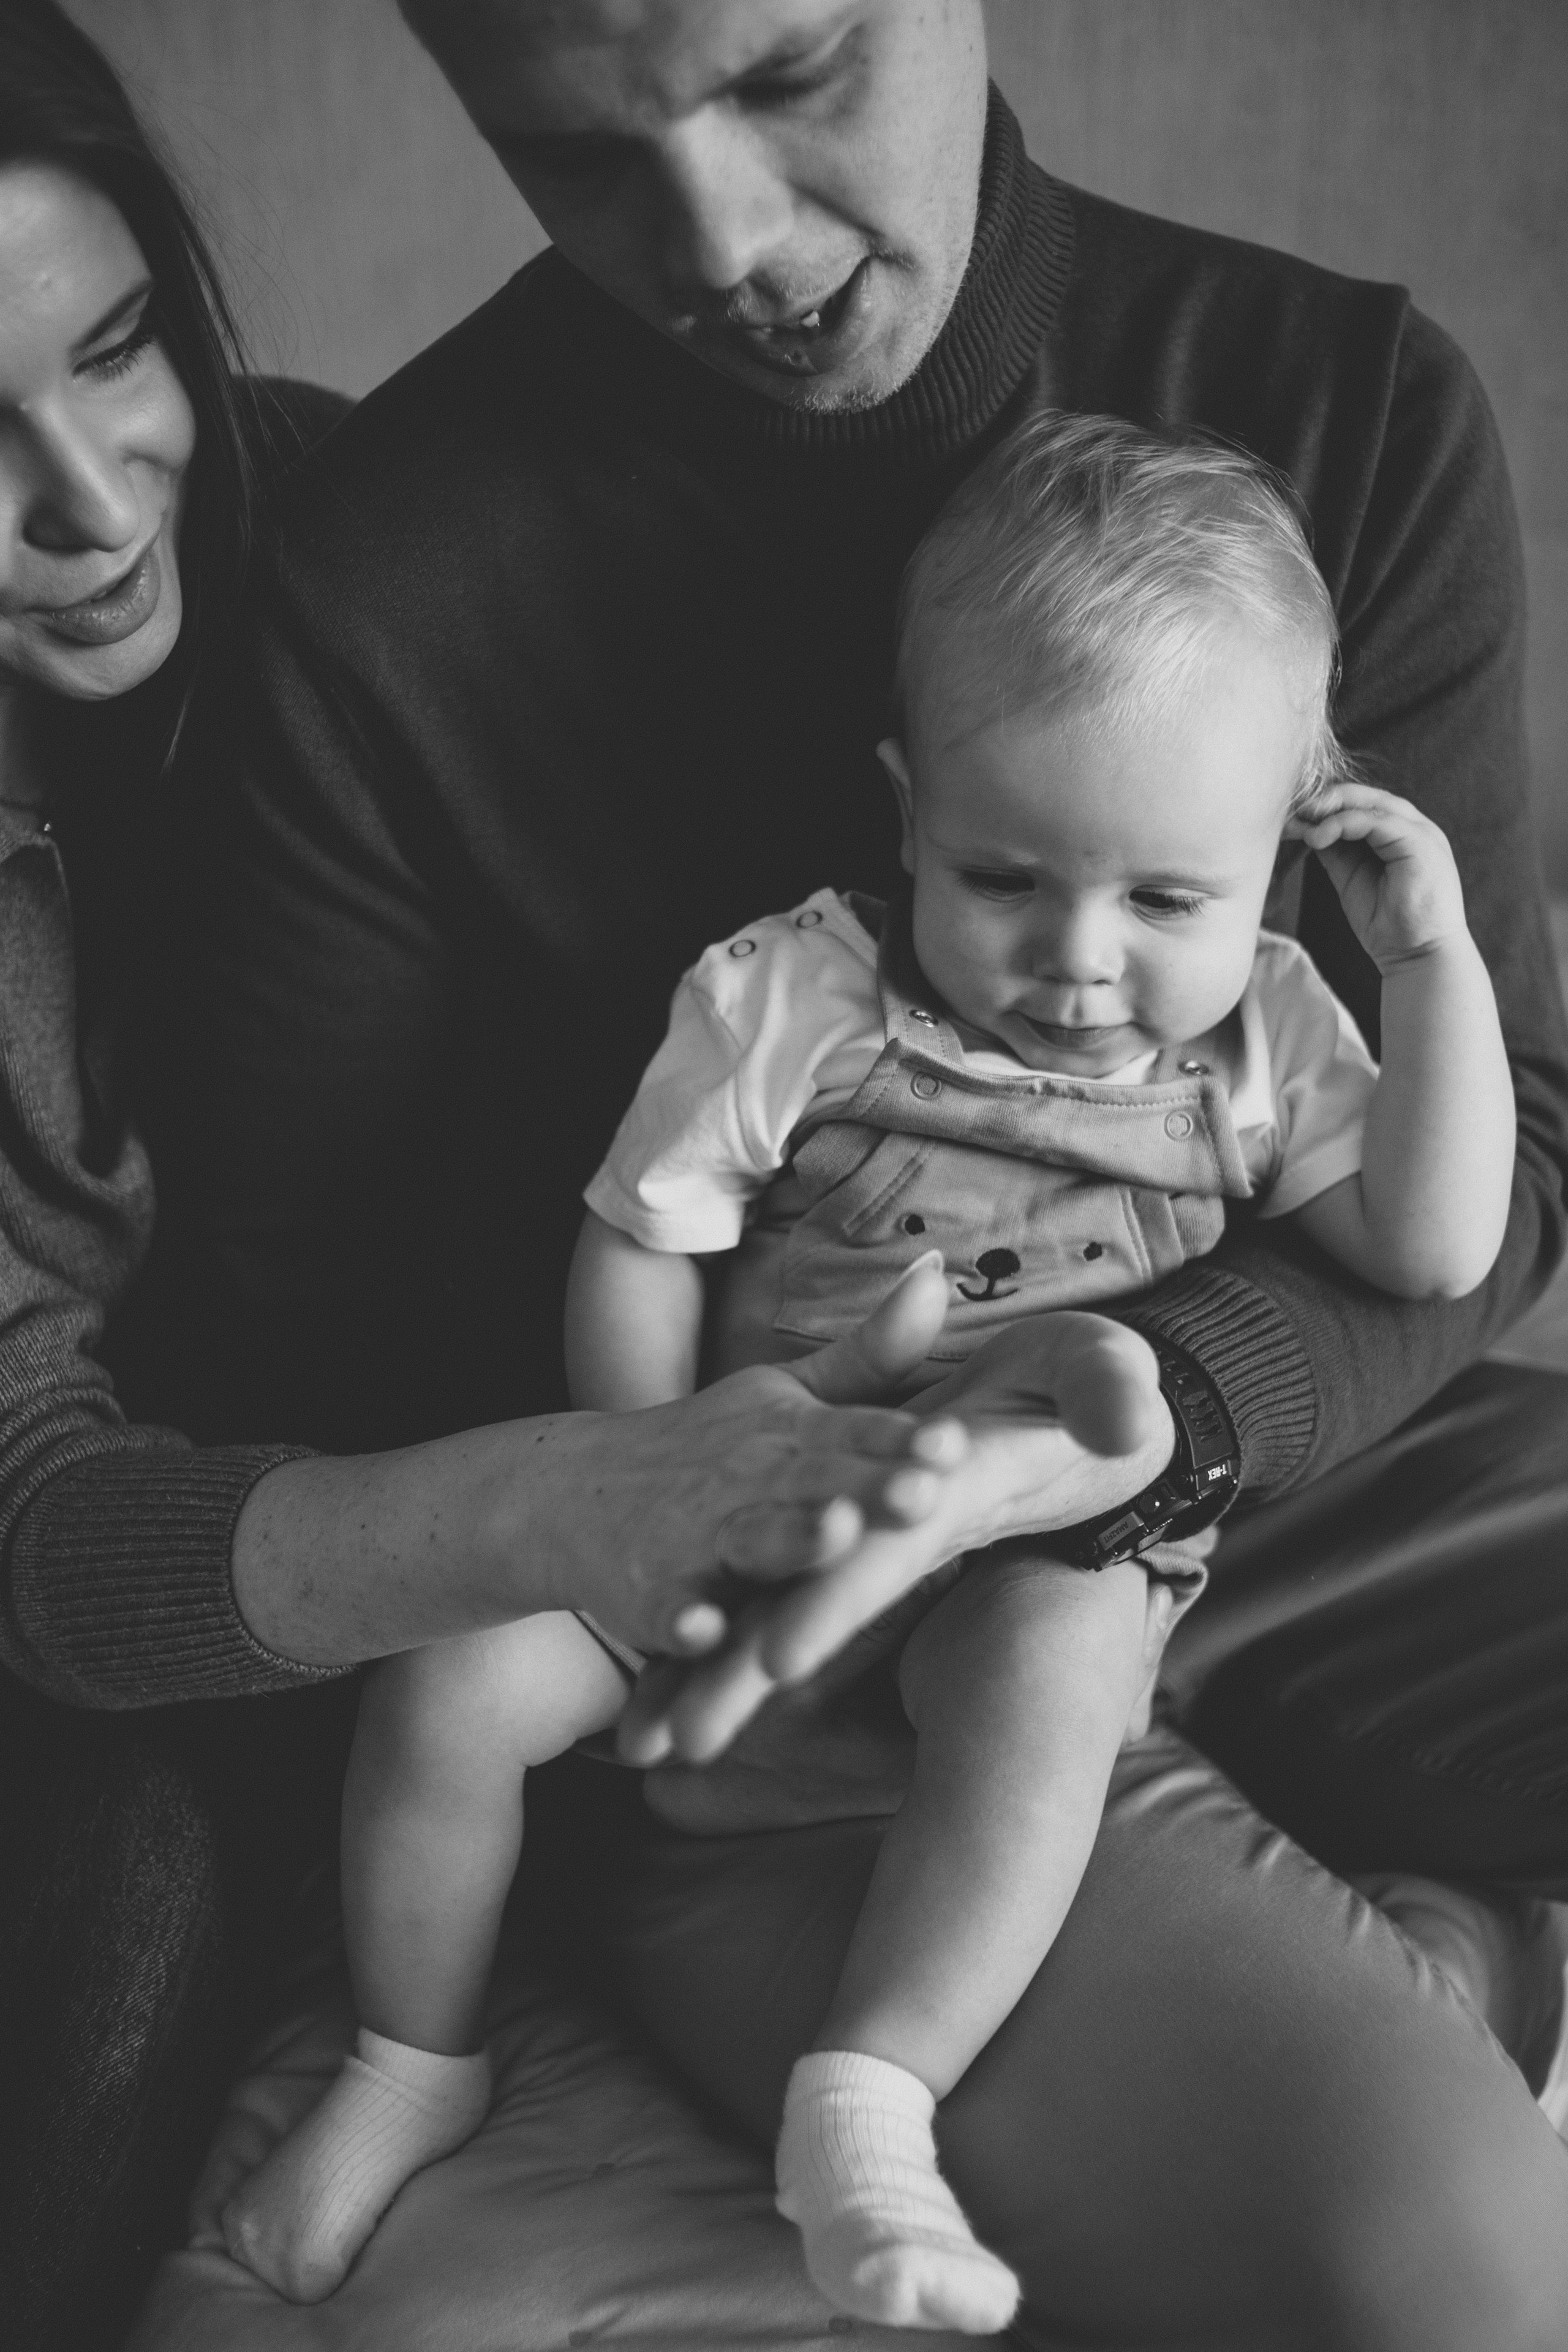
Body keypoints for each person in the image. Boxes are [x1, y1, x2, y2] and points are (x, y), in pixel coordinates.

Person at [170, 0, 1568, 2342]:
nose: (719, 237)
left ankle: (1432, 1944)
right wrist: (697, 1477)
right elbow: (322, 1322)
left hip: (1251, 1479)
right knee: (1450, 2277)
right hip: (783, 1620)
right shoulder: (396, 605)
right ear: (906, 808)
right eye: (571, 152)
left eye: (787, 68)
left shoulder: (1345, 412)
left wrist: (1100, 1424)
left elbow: (1479, 1201)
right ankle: (677, 2065)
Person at [0, 7, 1012, 2343]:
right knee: (140, 1902)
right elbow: (40, 1525)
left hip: (500, 1487)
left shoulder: (354, 533)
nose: (95, 496)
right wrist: (561, 1499)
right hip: (125, 1599)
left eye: (121, 347)